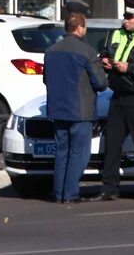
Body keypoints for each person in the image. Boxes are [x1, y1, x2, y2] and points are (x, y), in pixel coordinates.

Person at [42, 11, 106, 203]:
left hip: (58, 109)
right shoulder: (86, 51)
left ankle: (60, 193)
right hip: (80, 110)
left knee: (62, 152)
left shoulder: (51, 51)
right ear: (79, 28)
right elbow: (100, 83)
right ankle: (70, 193)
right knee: (79, 153)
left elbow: (46, 79)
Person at [97, 1, 134, 200]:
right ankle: (109, 189)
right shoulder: (115, 34)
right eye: (125, 17)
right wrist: (104, 60)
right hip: (118, 95)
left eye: (130, 17)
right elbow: (104, 52)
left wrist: (129, 69)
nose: (125, 21)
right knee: (112, 144)